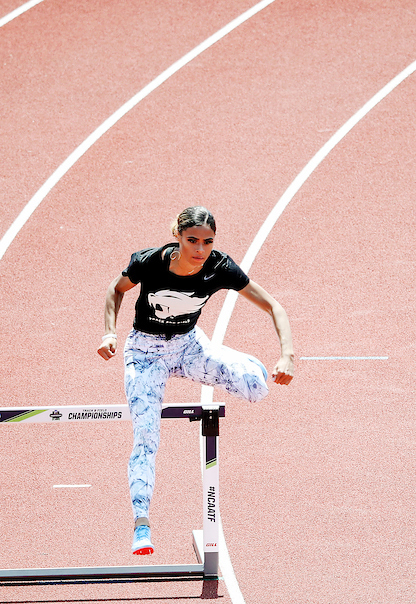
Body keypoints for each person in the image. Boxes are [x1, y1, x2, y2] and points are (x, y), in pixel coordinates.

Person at [98, 206, 294, 555]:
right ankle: (141, 523)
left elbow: (274, 306)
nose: (200, 249)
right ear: (178, 236)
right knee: (146, 437)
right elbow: (116, 290)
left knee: (255, 384)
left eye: (207, 242)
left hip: (189, 347)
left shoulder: (220, 267)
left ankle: (244, 362)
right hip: (145, 353)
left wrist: (286, 355)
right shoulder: (150, 262)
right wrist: (110, 334)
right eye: (192, 241)